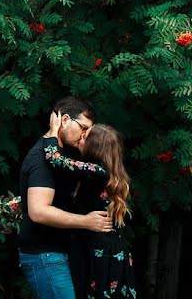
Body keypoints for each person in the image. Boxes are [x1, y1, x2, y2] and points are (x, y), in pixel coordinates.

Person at [18, 96, 114, 299]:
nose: (86, 135)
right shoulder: (42, 159)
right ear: (64, 120)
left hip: (58, 254)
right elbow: (38, 211)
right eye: (84, 128)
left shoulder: (64, 155)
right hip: (45, 255)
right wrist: (86, 222)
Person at [44, 112, 137, 298]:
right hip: (96, 246)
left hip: (103, 251)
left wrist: (53, 131)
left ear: (94, 146)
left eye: (85, 135)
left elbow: (54, 159)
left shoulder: (98, 171)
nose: (80, 136)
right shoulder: (95, 171)